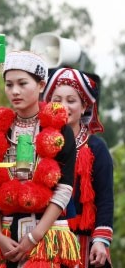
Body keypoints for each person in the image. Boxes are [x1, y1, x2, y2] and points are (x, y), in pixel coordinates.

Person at [0, 51, 80, 267]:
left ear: (41, 85)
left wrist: (35, 236)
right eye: (9, 84)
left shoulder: (61, 129)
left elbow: (64, 188)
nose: (14, 91)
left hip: (48, 236)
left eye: (22, 83)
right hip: (6, 237)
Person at [43, 67, 114, 267]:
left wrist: (100, 240)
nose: (63, 106)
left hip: (83, 242)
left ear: (84, 107)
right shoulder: (39, 143)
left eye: (71, 100)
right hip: (44, 238)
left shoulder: (96, 148)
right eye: (57, 100)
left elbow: (105, 198)